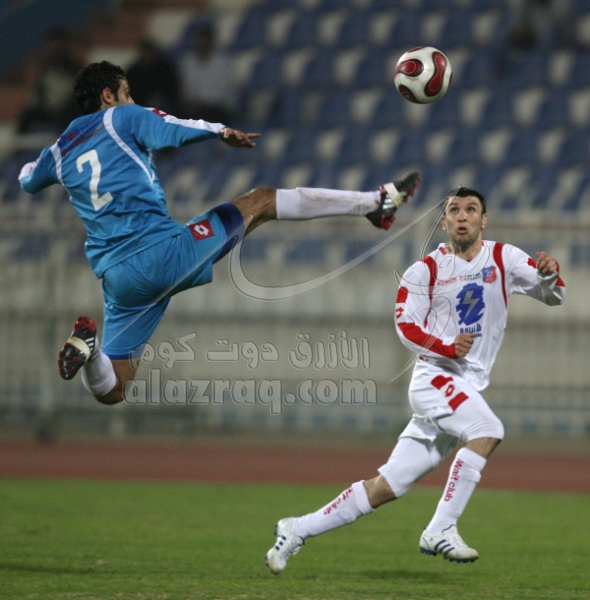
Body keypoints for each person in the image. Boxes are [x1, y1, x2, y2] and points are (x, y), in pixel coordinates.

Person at [18, 60, 421, 406]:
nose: (131, 100)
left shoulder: (59, 150)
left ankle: (89, 353)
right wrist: (218, 130)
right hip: (163, 254)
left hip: (117, 278)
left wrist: (30, 167)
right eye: (126, 93)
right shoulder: (122, 116)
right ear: (108, 96)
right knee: (261, 201)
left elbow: (27, 180)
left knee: (115, 387)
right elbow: (172, 126)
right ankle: (375, 203)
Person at [266, 187, 565, 574]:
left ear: (483, 220)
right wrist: (446, 347)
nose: (462, 216)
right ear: (444, 222)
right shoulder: (425, 271)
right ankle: (441, 527)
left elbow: (554, 296)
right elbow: (406, 326)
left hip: (465, 388)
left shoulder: (503, 257)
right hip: (435, 378)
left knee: (386, 486)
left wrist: (549, 276)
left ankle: (296, 528)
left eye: (471, 209)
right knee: (488, 430)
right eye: (454, 210)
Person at [176, 21, 237, 125]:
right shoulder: (188, 62)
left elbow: (225, 92)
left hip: (217, 108)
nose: (202, 44)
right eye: (200, 41)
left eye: (205, 41)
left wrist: (204, 102)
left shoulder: (223, 62)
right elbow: (186, 89)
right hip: (194, 109)